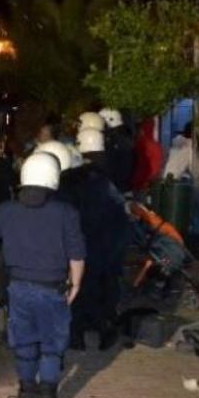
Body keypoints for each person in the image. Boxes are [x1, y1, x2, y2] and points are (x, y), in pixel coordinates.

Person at [0, 152, 85, 398]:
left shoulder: (6, 210)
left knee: (24, 344)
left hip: (18, 288)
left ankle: (27, 395)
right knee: (51, 346)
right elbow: (76, 253)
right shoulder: (66, 212)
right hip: (52, 288)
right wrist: (76, 283)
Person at [64, 129, 129, 351]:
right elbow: (119, 216)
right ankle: (104, 329)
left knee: (80, 291)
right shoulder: (105, 182)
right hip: (106, 245)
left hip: (83, 246)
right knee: (105, 290)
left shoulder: (72, 183)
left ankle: (77, 336)